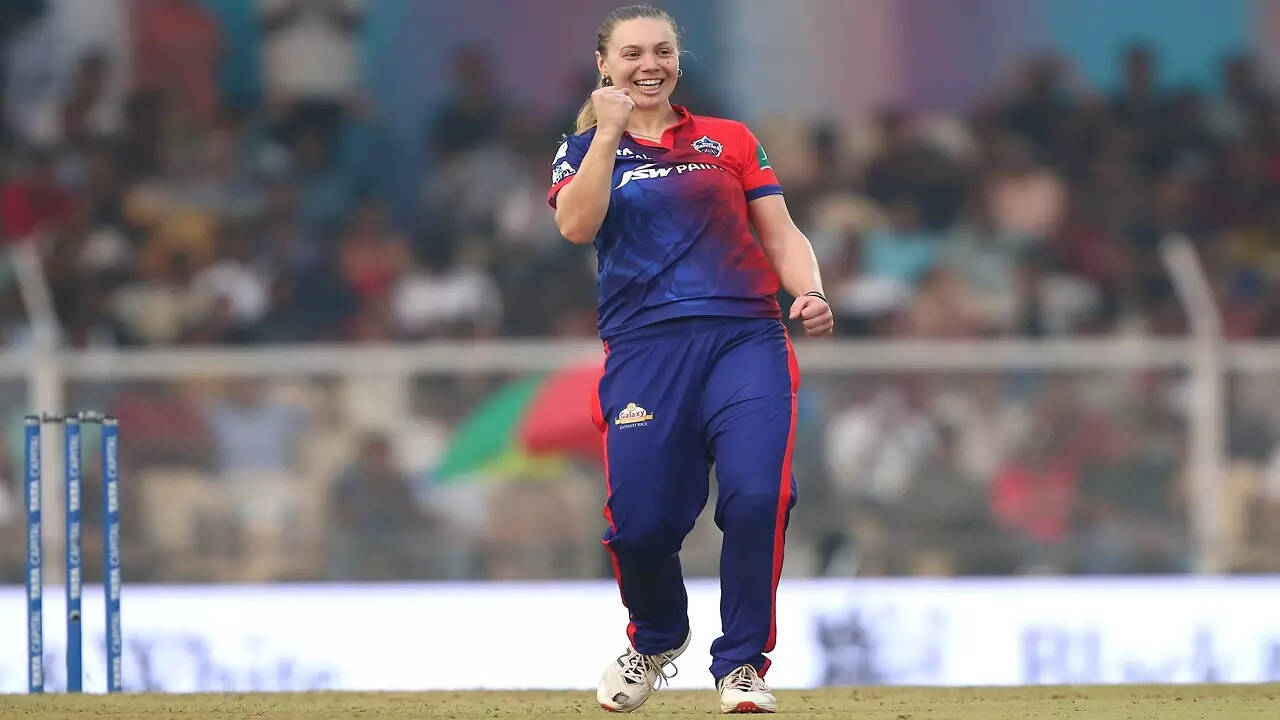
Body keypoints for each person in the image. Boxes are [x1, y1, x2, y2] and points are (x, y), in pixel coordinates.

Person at [547, 5, 832, 714]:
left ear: (678, 59)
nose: (650, 65)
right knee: (641, 525)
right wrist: (607, 132)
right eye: (632, 53)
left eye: (663, 51)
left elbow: (781, 231)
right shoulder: (582, 149)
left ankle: (742, 666)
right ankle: (655, 639)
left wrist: (810, 290)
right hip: (645, 351)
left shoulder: (728, 139)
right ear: (603, 65)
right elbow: (576, 225)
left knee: (760, 497)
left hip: (746, 338)